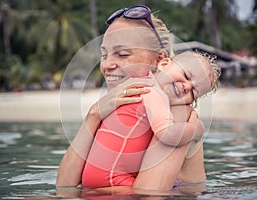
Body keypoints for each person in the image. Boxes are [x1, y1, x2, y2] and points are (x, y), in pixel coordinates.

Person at [56, 5, 217, 193]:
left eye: (122, 54)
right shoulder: (118, 107)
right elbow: (64, 185)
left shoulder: (178, 113)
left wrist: (91, 192)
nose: (107, 64)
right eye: (104, 54)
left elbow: (149, 193)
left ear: (159, 60)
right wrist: (94, 115)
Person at [81, 50, 218, 188]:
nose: (187, 86)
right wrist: (196, 130)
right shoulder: (153, 93)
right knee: (174, 192)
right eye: (186, 75)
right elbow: (167, 134)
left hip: (97, 174)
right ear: (164, 64)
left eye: (194, 92)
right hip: (110, 179)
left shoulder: (141, 83)